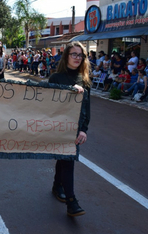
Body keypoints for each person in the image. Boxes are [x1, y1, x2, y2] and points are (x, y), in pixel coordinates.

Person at [49, 42, 91, 217]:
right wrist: (68, 91)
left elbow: (87, 107)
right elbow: (48, 103)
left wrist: (84, 129)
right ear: (66, 56)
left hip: (74, 128)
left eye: (80, 55)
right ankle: (71, 202)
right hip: (59, 126)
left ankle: (57, 185)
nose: (77, 58)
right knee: (67, 160)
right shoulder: (56, 78)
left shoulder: (85, 79)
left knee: (65, 158)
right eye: (74, 54)